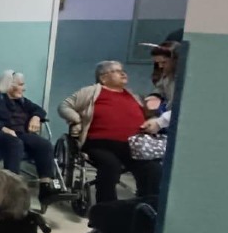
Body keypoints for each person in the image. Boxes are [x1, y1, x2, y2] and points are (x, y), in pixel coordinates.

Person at [59, 61, 161, 203]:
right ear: (103, 78)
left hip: (133, 145)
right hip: (100, 144)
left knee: (152, 169)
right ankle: (107, 209)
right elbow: (64, 106)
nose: (123, 73)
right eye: (116, 71)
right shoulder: (91, 91)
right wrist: (76, 119)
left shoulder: (134, 95)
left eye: (123, 70)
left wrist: (153, 118)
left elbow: (150, 115)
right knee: (110, 166)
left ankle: (146, 205)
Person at [0, 70, 70, 206]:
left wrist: (36, 117)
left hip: (19, 133)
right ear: (10, 85)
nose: (24, 88)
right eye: (21, 84)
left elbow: (39, 110)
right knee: (15, 143)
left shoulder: (21, 101)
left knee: (44, 144)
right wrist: (2, 127)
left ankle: (46, 188)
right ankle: (11, 190)